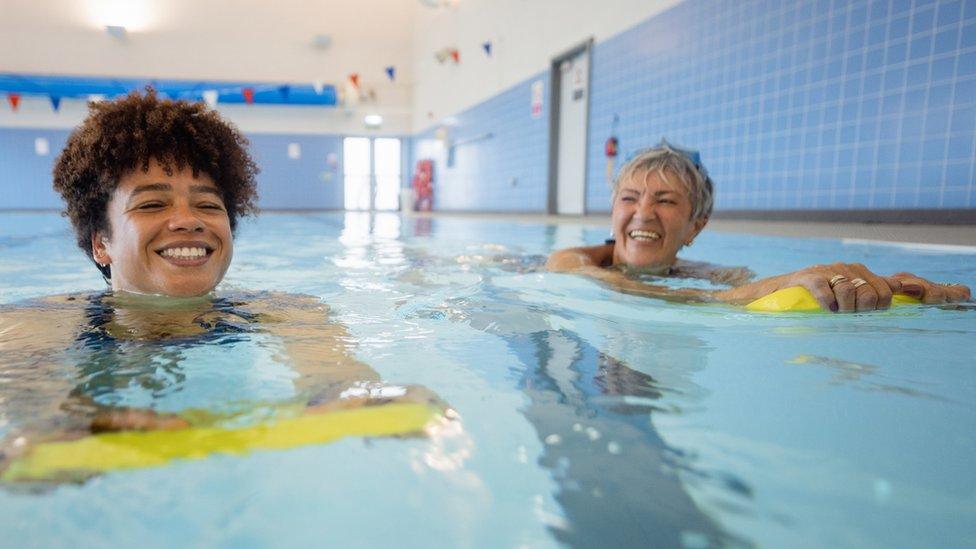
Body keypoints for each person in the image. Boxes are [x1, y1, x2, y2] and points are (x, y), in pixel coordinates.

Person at [0, 92, 447, 483]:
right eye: (152, 203)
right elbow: (26, 400)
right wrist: (62, 423)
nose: (188, 220)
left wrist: (362, 398)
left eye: (208, 204)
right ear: (102, 243)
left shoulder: (287, 312)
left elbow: (337, 378)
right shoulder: (40, 322)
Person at [547, 141, 971, 312]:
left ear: (697, 225)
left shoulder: (712, 276)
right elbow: (621, 289)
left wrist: (877, 286)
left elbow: (778, 287)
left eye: (666, 200)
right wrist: (744, 294)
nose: (643, 212)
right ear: (613, 213)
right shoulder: (570, 260)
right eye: (628, 198)